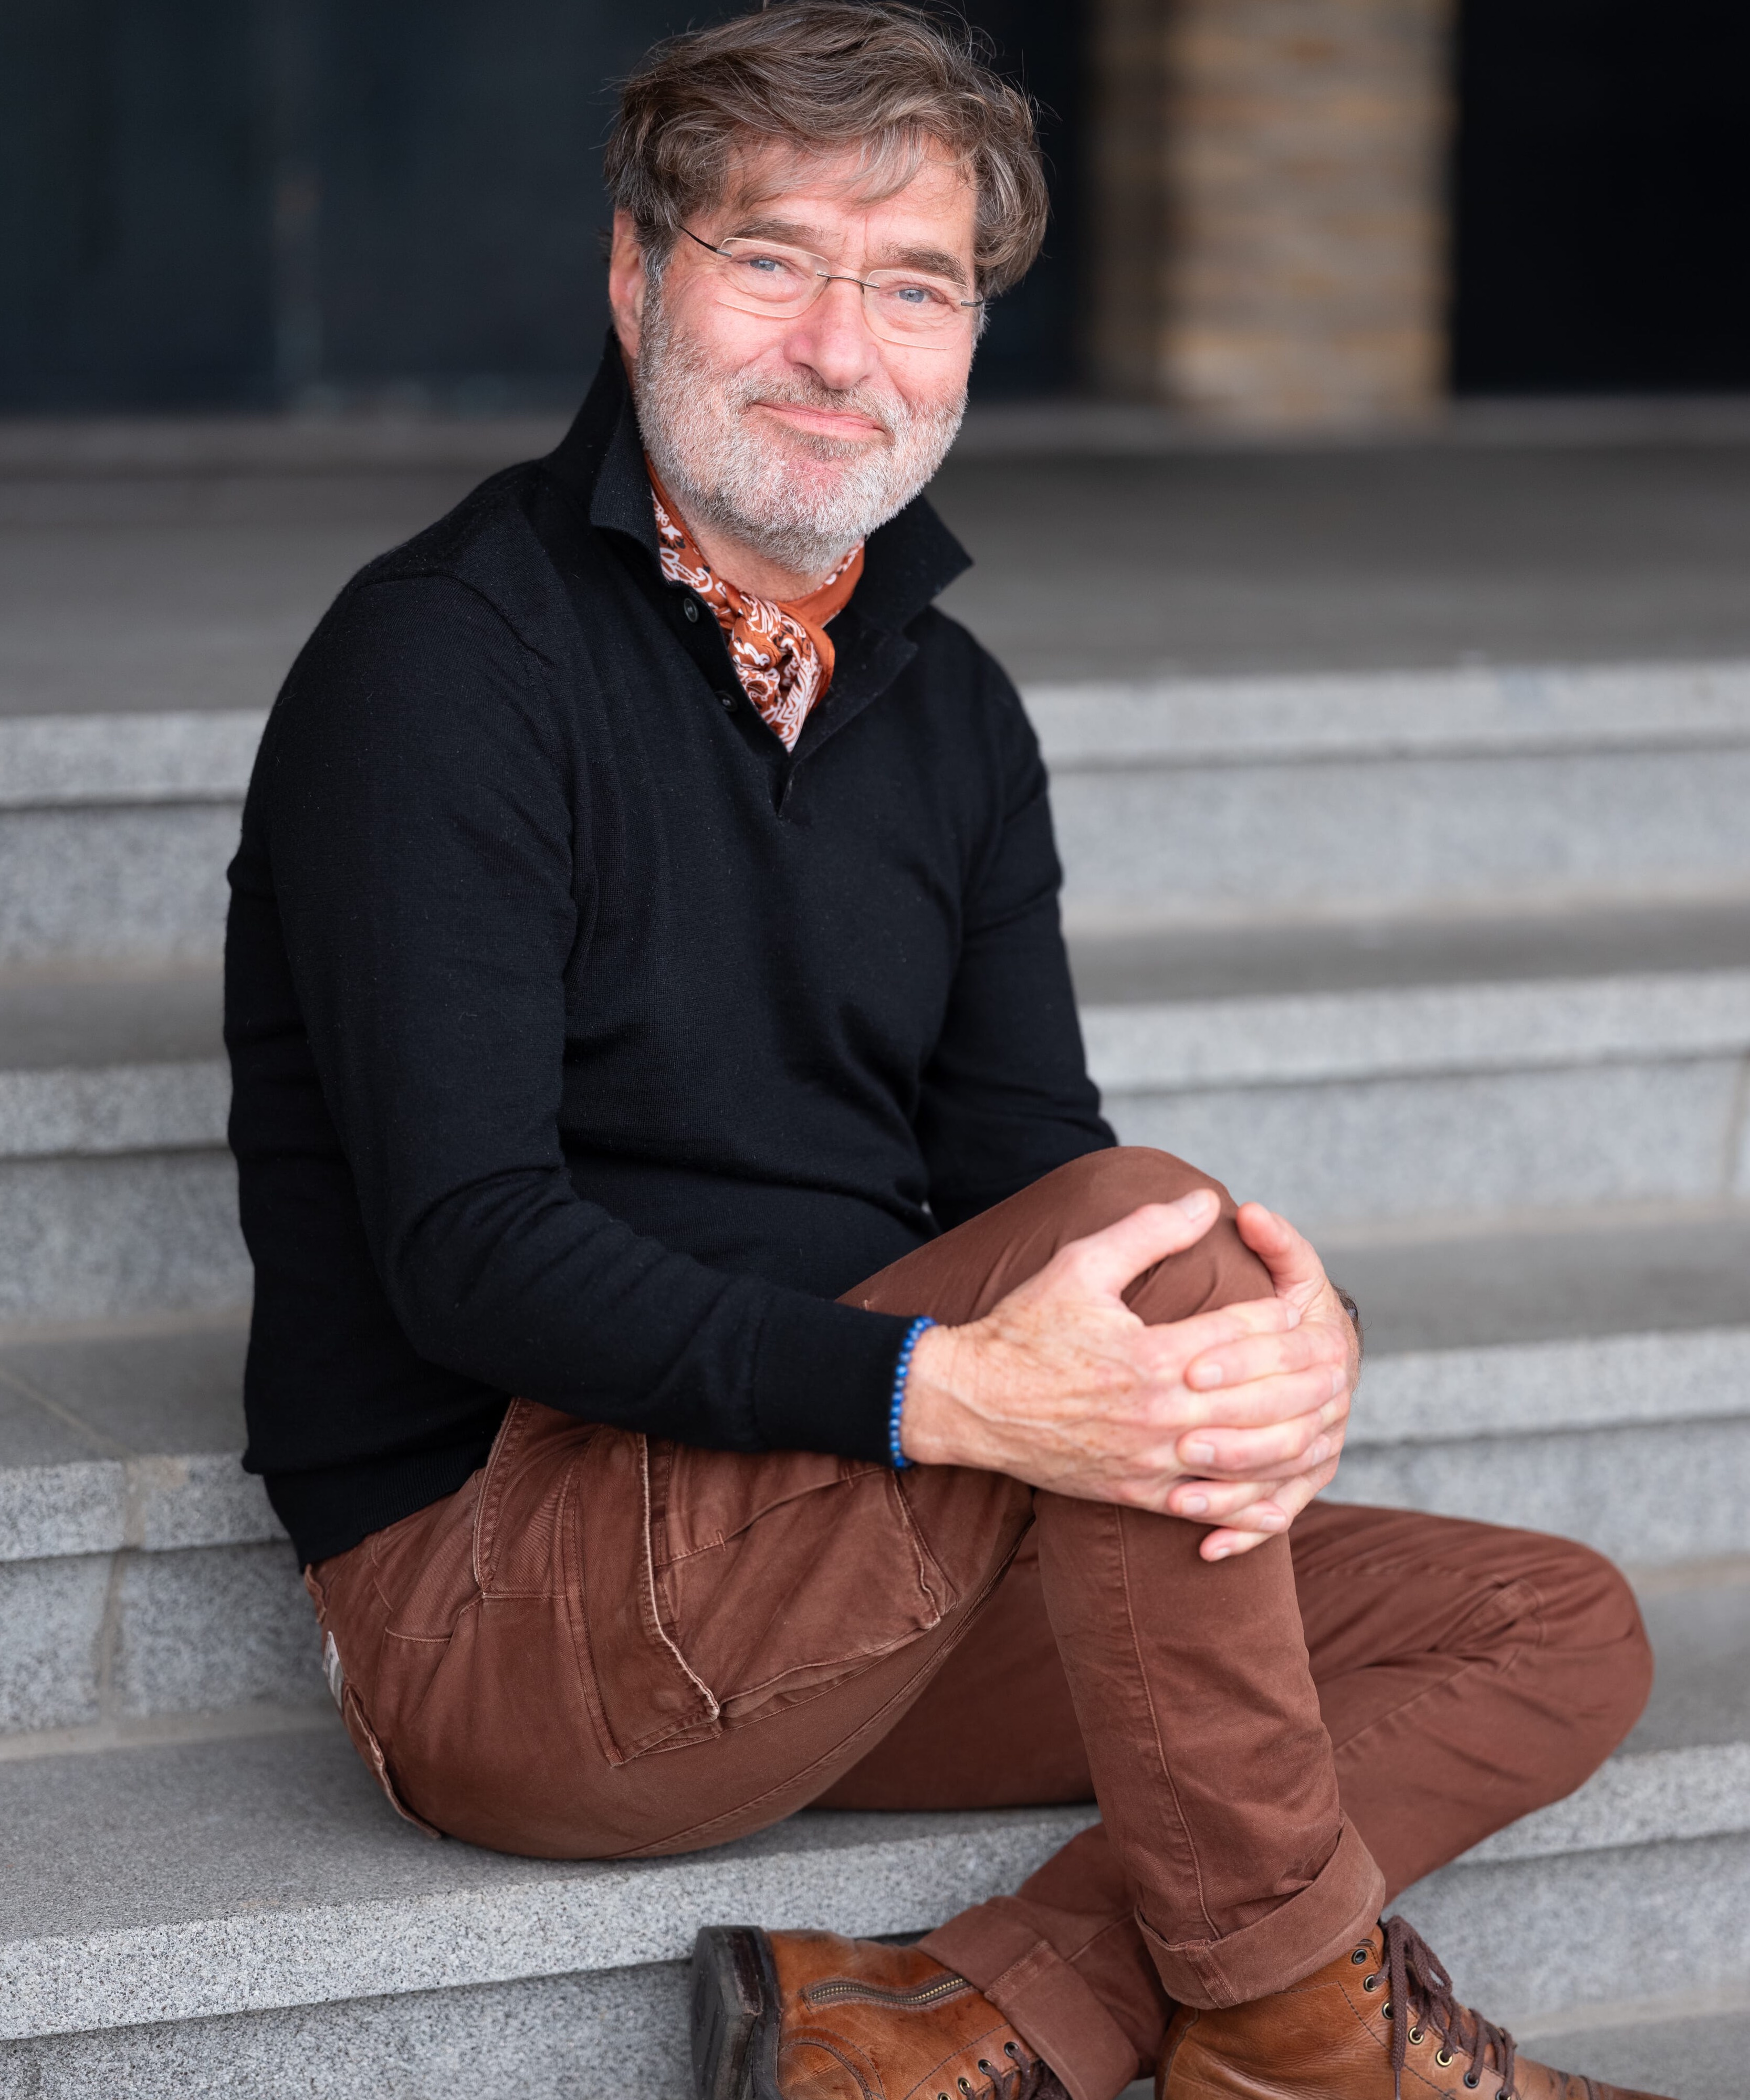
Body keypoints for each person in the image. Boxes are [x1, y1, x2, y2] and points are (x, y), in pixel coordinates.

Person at [224, 7, 1660, 2096]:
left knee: (1552, 1627)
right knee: (1139, 1241)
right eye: (774, 259)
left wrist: (1294, 1337)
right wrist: (945, 1388)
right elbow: (469, 1252)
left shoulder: (951, 705)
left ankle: (946, 2026)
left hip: (849, 1548)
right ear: (636, 276)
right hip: (512, 1601)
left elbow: (1035, 1167)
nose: (843, 348)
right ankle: (1301, 2042)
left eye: (914, 286)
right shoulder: (445, 663)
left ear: (971, 336)